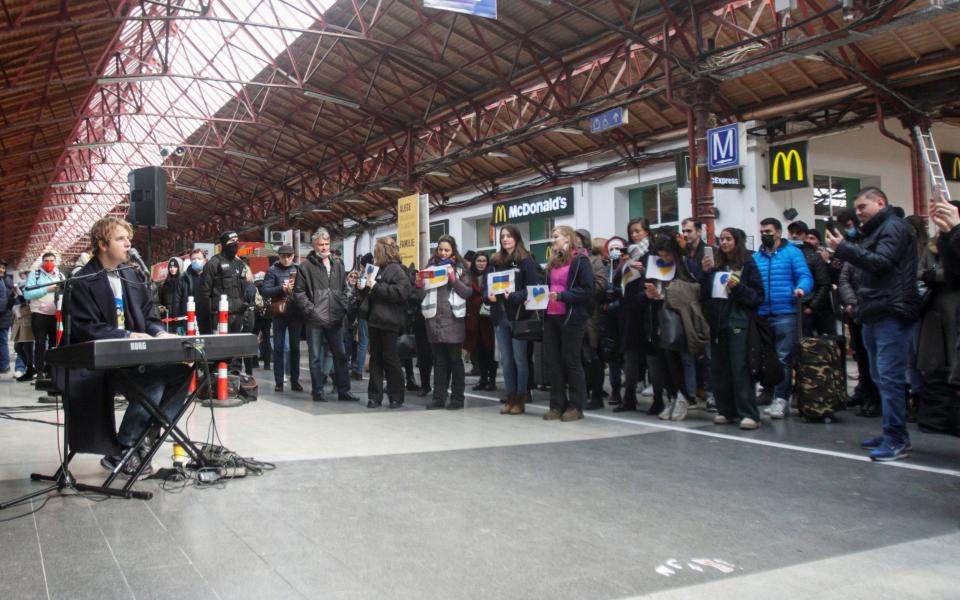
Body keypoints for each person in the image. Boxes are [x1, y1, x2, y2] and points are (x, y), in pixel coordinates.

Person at [68, 217, 189, 478]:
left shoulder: (131, 275)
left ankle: (138, 442)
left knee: (181, 373)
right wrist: (125, 334)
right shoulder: (82, 281)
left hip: (134, 355)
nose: (128, 243)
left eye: (128, 238)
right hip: (99, 362)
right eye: (121, 239)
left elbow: (148, 313)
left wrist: (158, 332)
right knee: (152, 385)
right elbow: (85, 327)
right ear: (102, 244)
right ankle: (125, 447)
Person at [825, 187, 920, 462]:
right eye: (856, 209)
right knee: (880, 376)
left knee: (889, 378)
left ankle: (897, 438)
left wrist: (844, 249)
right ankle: (892, 431)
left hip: (891, 310)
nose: (858, 213)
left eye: (862, 206)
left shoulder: (894, 227)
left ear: (881, 202)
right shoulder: (873, 232)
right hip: (873, 310)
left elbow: (881, 263)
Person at [700, 228, 765, 429]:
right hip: (719, 323)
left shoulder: (747, 263)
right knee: (720, 369)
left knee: (740, 368)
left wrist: (737, 287)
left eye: (729, 239)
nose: (725, 243)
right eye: (722, 239)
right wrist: (704, 274)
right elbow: (705, 295)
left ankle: (749, 414)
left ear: (737, 241)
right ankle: (726, 410)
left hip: (739, 322)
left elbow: (757, 297)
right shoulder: (716, 265)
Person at [754, 217, 813, 419]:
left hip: (785, 312)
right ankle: (771, 394)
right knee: (767, 359)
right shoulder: (757, 257)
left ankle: (781, 399)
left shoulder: (792, 253)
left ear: (778, 232)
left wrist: (801, 289)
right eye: (762, 232)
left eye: (768, 232)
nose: (765, 235)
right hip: (762, 313)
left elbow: (805, 276)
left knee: (783, 359)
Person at [292, 228, 357, 403]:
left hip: (335, 318)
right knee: (314, 357)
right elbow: (298, 293)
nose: (324, 247)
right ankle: (318, 391)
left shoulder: (338, 265)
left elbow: (345, 289)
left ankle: (344, 390)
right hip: (315, 319)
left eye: (327, 244)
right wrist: (311, 310)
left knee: (341, 356)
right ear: (314, 246)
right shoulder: (305, 267)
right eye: (321, 244)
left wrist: (342, 306)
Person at [484, 224, 540, 416]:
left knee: (520, 359)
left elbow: (533, 289)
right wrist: (487, 296)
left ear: (516, 238)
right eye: (502, 236)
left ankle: (521, 398)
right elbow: (486, 286)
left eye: (509, 236)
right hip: (500, 316)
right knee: (506, 360)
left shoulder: (526, 260)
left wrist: (515, 296)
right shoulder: (495, 261)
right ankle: (509, 397)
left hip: (519, 317)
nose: (505, 239)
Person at [542, 226, 594, 422]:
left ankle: (576, 405)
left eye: (555, 236)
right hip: (551, 316)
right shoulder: (553, 262)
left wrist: (563, 296)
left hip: (572, 317)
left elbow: (587, 290)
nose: (552, 240)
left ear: (567, 238)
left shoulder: (580, 260)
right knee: (553, 363)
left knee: (571, 361)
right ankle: (557, 405)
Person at [416, 235, 473, 410]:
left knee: (455, 361)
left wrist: (453, 279)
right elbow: (420, 295)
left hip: (453, 320)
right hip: (434, 320)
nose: (443, 253)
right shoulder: (430, 267)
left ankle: (457, 398)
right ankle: (438, 398)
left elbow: (467, 292)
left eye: (446, 250)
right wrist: (418, 284)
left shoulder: (461, 268)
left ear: (453, 250)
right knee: (439, 361)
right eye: (440, 249)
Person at [358, 237, 412, 409]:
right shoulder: (376, 269)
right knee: (375, 359)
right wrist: (361, 288)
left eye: (376, 251)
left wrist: (376, 287)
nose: (374, 255)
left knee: (391, 359)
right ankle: (375, 396)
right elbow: (369, 295)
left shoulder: (397, 270)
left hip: (389, 322)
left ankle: (396, 396)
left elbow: (402, 293)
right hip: (375, 321)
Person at [611, 219, 654, 413]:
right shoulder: (629, 254)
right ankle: (628, 398)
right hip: (628, 309)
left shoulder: (652, 252)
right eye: (632, 232)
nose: (635, 235)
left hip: (647, 309)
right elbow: (617, 281)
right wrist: (622, 266)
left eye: (638, 231)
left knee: (652, 356)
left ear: (647, 232)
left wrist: (646, 271)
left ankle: (659, 398)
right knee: (630, 356)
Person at [199, 231, 255, 376]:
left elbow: (246, 282)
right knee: (220, 348)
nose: (235, 244)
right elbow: (204, 292)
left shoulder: (240, 263)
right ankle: (216, 376)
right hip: (220, 315)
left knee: (236, 347)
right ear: (224, 244)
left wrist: (249, 291)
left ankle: (234, 376)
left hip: (239, 313)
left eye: (237, 240)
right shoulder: (214, 263)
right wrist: (211, 312)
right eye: (231, 241)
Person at [261, 245, 305, 393]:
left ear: (293, 256)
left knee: (295, 349)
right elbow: (265, 291)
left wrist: (295, 290)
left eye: (289, 256)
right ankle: (279, 381)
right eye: (283, 256)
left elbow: (306, 290)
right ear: (279, 256)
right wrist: (282, 288)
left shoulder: (299, 270)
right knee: (279, 348)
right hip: (279, 313)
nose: (286, 259)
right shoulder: (272, 270)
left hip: (295, 313)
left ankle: (295, 380)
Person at [575, 230, 608, 411]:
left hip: (590, 314)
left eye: (580, 241)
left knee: (591, 356)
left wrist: (580, 288)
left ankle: (596, 394)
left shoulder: (595, 261)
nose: (577, 244)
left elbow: (601, 285)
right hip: (574, 314)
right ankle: (583, 392)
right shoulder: (570, 260)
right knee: (578, 357)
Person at [22, 252, 65, 381]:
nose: (49, 263)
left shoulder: (60, 275)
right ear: (42, 261)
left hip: (55, 315)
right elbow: (27, 294)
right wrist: (47, 289)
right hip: (39, 315)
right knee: (40, 343)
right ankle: (39, 372)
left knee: (53, 344)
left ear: (55, 262)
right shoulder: (34, 275)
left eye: (52, 260)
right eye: (46, 260)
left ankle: (51, 371)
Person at [786, 221, 833, 336]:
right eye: (791, 233)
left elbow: (824, 284)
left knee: (806, 345)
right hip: (785, 308)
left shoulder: (814, 256)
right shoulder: (783, 254)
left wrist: (812, 307)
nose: (794, 236)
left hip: (805, 308)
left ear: (805, 236)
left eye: (799, 233)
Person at [465, 252, 496, 391]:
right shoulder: (469, 276)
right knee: (478, 351)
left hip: (488, 319)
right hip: (474, 318)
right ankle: (482, 379)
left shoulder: (491, 276)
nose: (481, 263)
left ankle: (492, 380)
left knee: (490, 351)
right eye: (479, 261)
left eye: (484, 261)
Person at [11, 271, 34, 380]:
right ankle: (28, 368)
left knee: (27, 347)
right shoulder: (18, 285)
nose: (25, 275)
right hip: (19, 320)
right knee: (19, 346)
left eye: (27, 273)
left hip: (29, 319)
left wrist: (19, 294)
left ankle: (29, 368)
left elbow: (27, 300)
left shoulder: (30, 285)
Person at [159, 257, 185, 331]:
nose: (172, 269)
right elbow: (160, 300)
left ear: (179, 267)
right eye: (170, 267)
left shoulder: (184, 282)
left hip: (180, 317)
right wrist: (161, 307)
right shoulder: (164, 284)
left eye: (175, 267)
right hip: (167, 317)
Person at [0, 260, 12, 374]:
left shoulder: (5, 282)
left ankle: (4, 365)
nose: (1, 270)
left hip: (3, 316)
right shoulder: (8, 281)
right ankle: (4, 364)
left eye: (3, 268)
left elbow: (3, 301)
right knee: (3, 341)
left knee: (3, 341)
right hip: (5, 315)